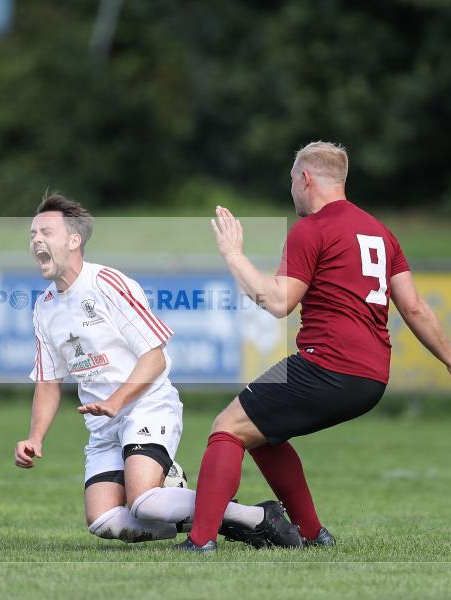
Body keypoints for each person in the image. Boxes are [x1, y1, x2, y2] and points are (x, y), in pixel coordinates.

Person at [176, 141, 451, 553]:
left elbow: (278, 301)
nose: (291, 190)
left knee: (227, 429)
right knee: (264, 434)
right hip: (372, 379)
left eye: (291, 181)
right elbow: (413, 306)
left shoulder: (312, 229)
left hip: (328, 367)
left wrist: (233, 255)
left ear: (305, 178)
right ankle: (311, 533)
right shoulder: (380, 232)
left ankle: (200, 542)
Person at [15, 193, 299, 547]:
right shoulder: (44, 309)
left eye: (46, 232)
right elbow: (48, 383)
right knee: (104, 521)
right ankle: (233, 517)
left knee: (144, 501)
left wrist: (118, 400)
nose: (36, 241)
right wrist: (35, 438)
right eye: (32, 234)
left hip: (146, 406)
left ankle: (258, 516)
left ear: (74, 240)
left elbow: (156, 357)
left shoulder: (106, 284)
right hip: (104, 424)